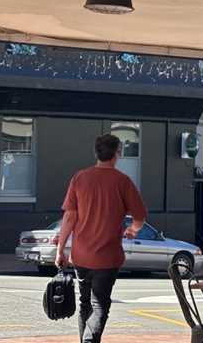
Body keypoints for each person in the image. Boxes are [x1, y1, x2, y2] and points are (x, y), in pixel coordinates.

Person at [55, 134, 148, 343]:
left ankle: (85, 340)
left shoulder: (79, 178)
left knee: (85, 304)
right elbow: (140, 217)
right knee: (100, 305)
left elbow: (69, 216)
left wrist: (61, 250)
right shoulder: (122, 181)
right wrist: (132, 230)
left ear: (96, 153)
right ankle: (89, 341)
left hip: (81, 256)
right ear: (117, 154)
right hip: (108, 256)